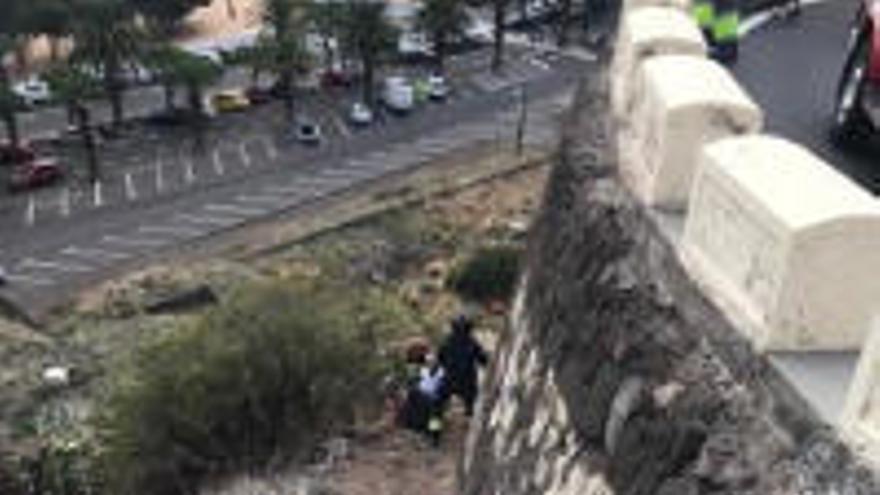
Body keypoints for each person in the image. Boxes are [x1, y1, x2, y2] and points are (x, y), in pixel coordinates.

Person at [437, 315, 488, 417]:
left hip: (450, 379)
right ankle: (468, 422)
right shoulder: (472, 342)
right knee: (470, 406)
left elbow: (440, 358)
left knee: (437, 407)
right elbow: (483, 360)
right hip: (467, 381)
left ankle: (434, 429)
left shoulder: (448, 341)